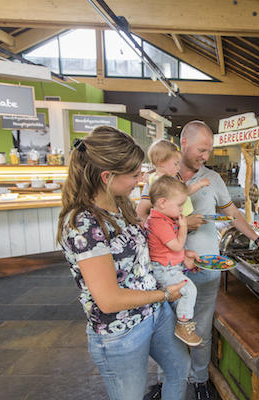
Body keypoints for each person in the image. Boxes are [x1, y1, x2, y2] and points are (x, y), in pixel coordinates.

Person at [57, 126, 196, 400]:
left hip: (153, 313)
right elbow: (108, 300)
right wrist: (166, 294)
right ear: (108, 177)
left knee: (180, 368)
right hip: (120, 331)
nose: (141, 179)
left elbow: (139, 249)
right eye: (134, 175)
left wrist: (179, 255)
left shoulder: (120, 204)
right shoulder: (84, 224)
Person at [179, 120, 259, 399]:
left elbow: (232, 214)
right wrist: (184, 222)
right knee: (167, 330)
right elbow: (146, 221)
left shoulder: (214, 179)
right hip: (172, 270)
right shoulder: (164, 177)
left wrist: (258, 238)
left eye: (209, 151)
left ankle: (198, 380)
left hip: (208, 268)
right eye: (201, 150)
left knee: (202, 328)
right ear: (184, 142)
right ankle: (169, 380)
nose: (205, 157)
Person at [145, 175, 202, 346]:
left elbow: (168, 248)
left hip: (168, 267)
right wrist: (184, 227)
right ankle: (183, 326)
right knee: (190, 291)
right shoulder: (159, 222)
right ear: (162, 202)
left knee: (184, 294)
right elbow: (176, 246)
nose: (182, 209)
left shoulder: (163, 219)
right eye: (179, 205)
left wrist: (185, 255)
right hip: (164, 269)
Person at [137, 139, 210, 223]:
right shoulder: (158, 183)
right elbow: (186, 190)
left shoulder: (166, 178)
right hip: (174, 223)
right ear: (161, 163)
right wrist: (200, 184)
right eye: (175, 164)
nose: (178, 168)